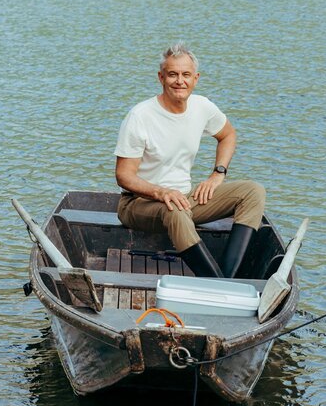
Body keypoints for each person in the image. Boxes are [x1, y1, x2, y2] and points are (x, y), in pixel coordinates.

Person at [114, 42, 265, 278]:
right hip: (138, 204)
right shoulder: (140, 116)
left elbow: (228, 135)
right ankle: (214, 282)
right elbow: (124, 176)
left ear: (196, 78)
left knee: (253, 192)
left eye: (186, 75)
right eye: (172, 74)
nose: (179, 81)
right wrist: (161, 193)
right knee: (174, 210)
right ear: (161, 77)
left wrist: (218, 174)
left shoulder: (202, 107)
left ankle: (227, 275)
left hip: (185, 199)